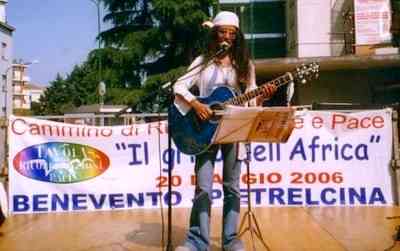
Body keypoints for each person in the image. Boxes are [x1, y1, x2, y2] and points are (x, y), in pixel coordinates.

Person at [173, 11, 277, 251]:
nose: (227, 37)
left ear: (237, 36)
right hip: (204, 130)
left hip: (234, 129)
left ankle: (230, 240)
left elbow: (251, 101)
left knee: (232, 187)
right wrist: (197, 104)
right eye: (223, 32)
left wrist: (262, 95)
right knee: (203, 187)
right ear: (215, 34)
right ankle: (197, 241)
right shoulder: (203, 61)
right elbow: (179, 85)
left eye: (232, 33)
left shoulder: (245, 65)